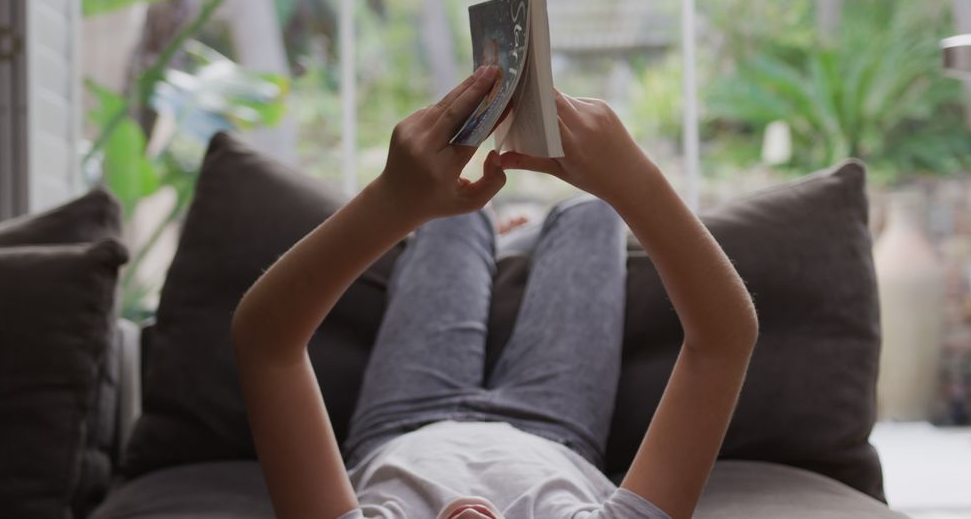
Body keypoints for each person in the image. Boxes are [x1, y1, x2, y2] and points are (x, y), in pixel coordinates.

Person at [231, 66, 759, 519]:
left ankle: (500, 234)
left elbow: (265, 343)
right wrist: (633, 179)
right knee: (592, 215)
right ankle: (521, 238)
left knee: (452, 220)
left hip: (401, 420)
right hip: (556, 428)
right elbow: (722, 340)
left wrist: (391, 201)